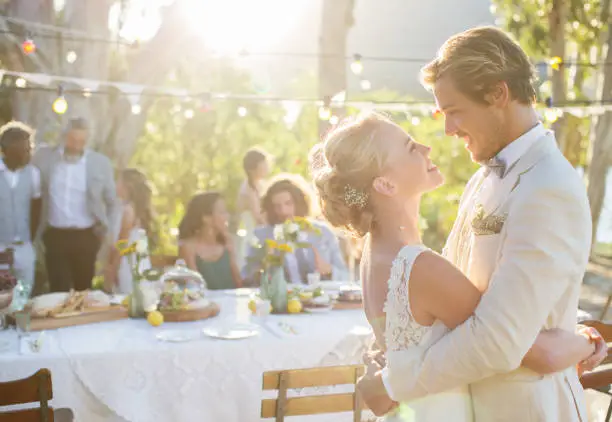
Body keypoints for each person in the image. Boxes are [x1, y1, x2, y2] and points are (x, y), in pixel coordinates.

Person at [340, 27, 607, 422]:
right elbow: (458, 299)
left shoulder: (549, 187)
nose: (448, 130)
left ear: (498, 94)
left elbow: (498, 338)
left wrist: (395, 382)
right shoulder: (482, 178)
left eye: (454, 111)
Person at [33, 117, 117, 292]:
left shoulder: (100, 163)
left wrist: (108, 231)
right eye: (73, 140)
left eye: (82, 141)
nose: (77, 145)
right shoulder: (45, 158)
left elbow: (112, 201)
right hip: (55, 234)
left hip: (86, 236)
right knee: (58, 289)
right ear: (64, 137)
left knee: (83, 290)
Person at [241, 174, 348, 285]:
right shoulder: (260, 236)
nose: (283, 211)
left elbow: (346, 276)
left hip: (318, 298)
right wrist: (263, 270)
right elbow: (246, 276)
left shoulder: (323, 232)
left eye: (288, 203)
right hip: (279, 300)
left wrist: (329, 270)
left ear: (299, 203)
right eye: (277, 206)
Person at [0, 121, 41, 293]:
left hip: (24, 247)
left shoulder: (33, 174)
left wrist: (29, 241)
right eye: (25, 148)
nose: (29, 152)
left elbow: (36, 209)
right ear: (9, 148)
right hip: (1, 245)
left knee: (24, 297)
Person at [178, 192, 242, 290]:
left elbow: (238, 283)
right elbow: (195, 287)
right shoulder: (188, 248)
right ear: (206, 218)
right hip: (205, 304)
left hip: (231, 301)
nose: (227, 216)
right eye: (222, 212)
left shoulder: (227, 243)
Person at [104, 168, 154, 294]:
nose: (116, 185)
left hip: (128, 263)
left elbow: (122, 244)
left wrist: (113, 270)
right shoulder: (124, 208)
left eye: (118, 181)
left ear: (127, 186)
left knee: (128, 297)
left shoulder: (128, 211)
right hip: (130, 260)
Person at [236, 148, 270, 268]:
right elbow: (258, 217)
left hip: (264, 235)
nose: (267, 167)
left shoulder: (261, 185)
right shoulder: (247, 189)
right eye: (263, 164)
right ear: (252, 168)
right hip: (254, 238)